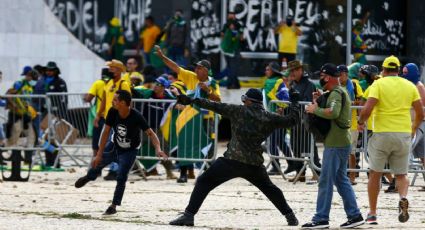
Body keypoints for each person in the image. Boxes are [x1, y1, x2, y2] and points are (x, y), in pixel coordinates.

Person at [169, 88, 301, 227]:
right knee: (270, 189)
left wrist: (190, 100)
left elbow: (213, 105)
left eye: (244, 99)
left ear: (248, 100)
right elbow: (292, 120)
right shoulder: (269, 117)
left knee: (203, 181)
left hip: (232, 161)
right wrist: (294, 102)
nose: (243, 102)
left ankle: (188, 216)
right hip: (254, 164)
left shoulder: (238, 110)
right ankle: (290, 216)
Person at [75, 90, 167, 215]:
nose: (112, 102)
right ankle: (89, 177)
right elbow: (106, 132)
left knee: (121, 176)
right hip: (114, 145)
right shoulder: (113, 111)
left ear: (123, 103)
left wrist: (158, 149)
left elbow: (151, 133)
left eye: (115, 100)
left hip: (129, 151)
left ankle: (113, 206)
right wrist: (99, 154)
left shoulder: (136, 116)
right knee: (97, 164)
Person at [358, 55, 423, 224]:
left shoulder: (378, 84)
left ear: (384, 70)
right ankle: (402, 197)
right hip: (403, 133)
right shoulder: (410, 86)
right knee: (401, 174)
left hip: (382, 133)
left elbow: (367, 108)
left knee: (375, 174)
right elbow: (420, 112)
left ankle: (372, 213)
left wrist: (360, 122)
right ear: (399, 70)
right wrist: (413, 128)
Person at [303, 63, 364, 229]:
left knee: (325, 180)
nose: (319, 79)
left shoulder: (337, 92)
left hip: (336, 143)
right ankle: (355, 215)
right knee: (341, 179)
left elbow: (333, 112)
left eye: (321, 76)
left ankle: (321, 218)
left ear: (327, 77)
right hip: (339, 142)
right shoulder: (336, 92)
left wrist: (314, 109)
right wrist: (319, 100)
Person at [94, 59, 132, 180]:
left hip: (119, 118)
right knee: (106, 144)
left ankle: (114, 170)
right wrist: (98, 114)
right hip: (108, 119)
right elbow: (104, 101)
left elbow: (128, 101)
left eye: (112, 68)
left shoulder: (124, 84)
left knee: (114, 145)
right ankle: (111, 169)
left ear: (119, 70)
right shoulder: (108, 83)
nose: (109, 70)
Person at [287, 60, 320, 181]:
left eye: (295, 70)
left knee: (310, 146)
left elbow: (307, 101)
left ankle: (317, 172)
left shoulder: (309, 85)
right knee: (295, 146)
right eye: (291, 70)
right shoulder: (293, 85)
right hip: (295, 121)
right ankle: (300, 173)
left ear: (301, 70)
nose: (293, 72)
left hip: (306, 121)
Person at [263, 62, 291, 175]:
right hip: (274, 117)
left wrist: (280, 107)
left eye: (268, 69)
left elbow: (283, 98)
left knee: (273, 141)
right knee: (279, 141)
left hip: (275, 117)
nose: (266, 71)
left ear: (273, 71)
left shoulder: (275, 82)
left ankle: (276, 166)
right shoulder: (275, 81)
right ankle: (292, 163)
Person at [338, 65, 363, 185]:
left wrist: (360, 121)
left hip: (352, 123)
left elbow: (361, 101)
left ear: (346, 74)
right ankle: (341, 175)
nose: (339, 76)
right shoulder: (336, 86)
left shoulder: (353, 84)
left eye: (340, 74)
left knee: (351, 152)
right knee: (339, 150)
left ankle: (352, 176)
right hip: (339, 123)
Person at [84, 68, 111, 161]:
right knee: (110, 141)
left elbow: (88, 98)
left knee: (96, 143)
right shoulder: (114, 84)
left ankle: (96, 164)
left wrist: (85, 97)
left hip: (100, 117)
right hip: (112, 116)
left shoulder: (98, 83)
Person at [220, 11, 243, 89]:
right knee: (230, 67)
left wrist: (234, 34)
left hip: (235, 49)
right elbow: (222, 35)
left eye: (232, 16)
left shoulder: (238, 25)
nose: (230, 18)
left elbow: (241, 37)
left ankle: (232, 83)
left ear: (234, 17)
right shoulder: (225, 25)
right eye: (229, 16)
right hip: (227, 49)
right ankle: (234, 84)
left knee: (233, 67)